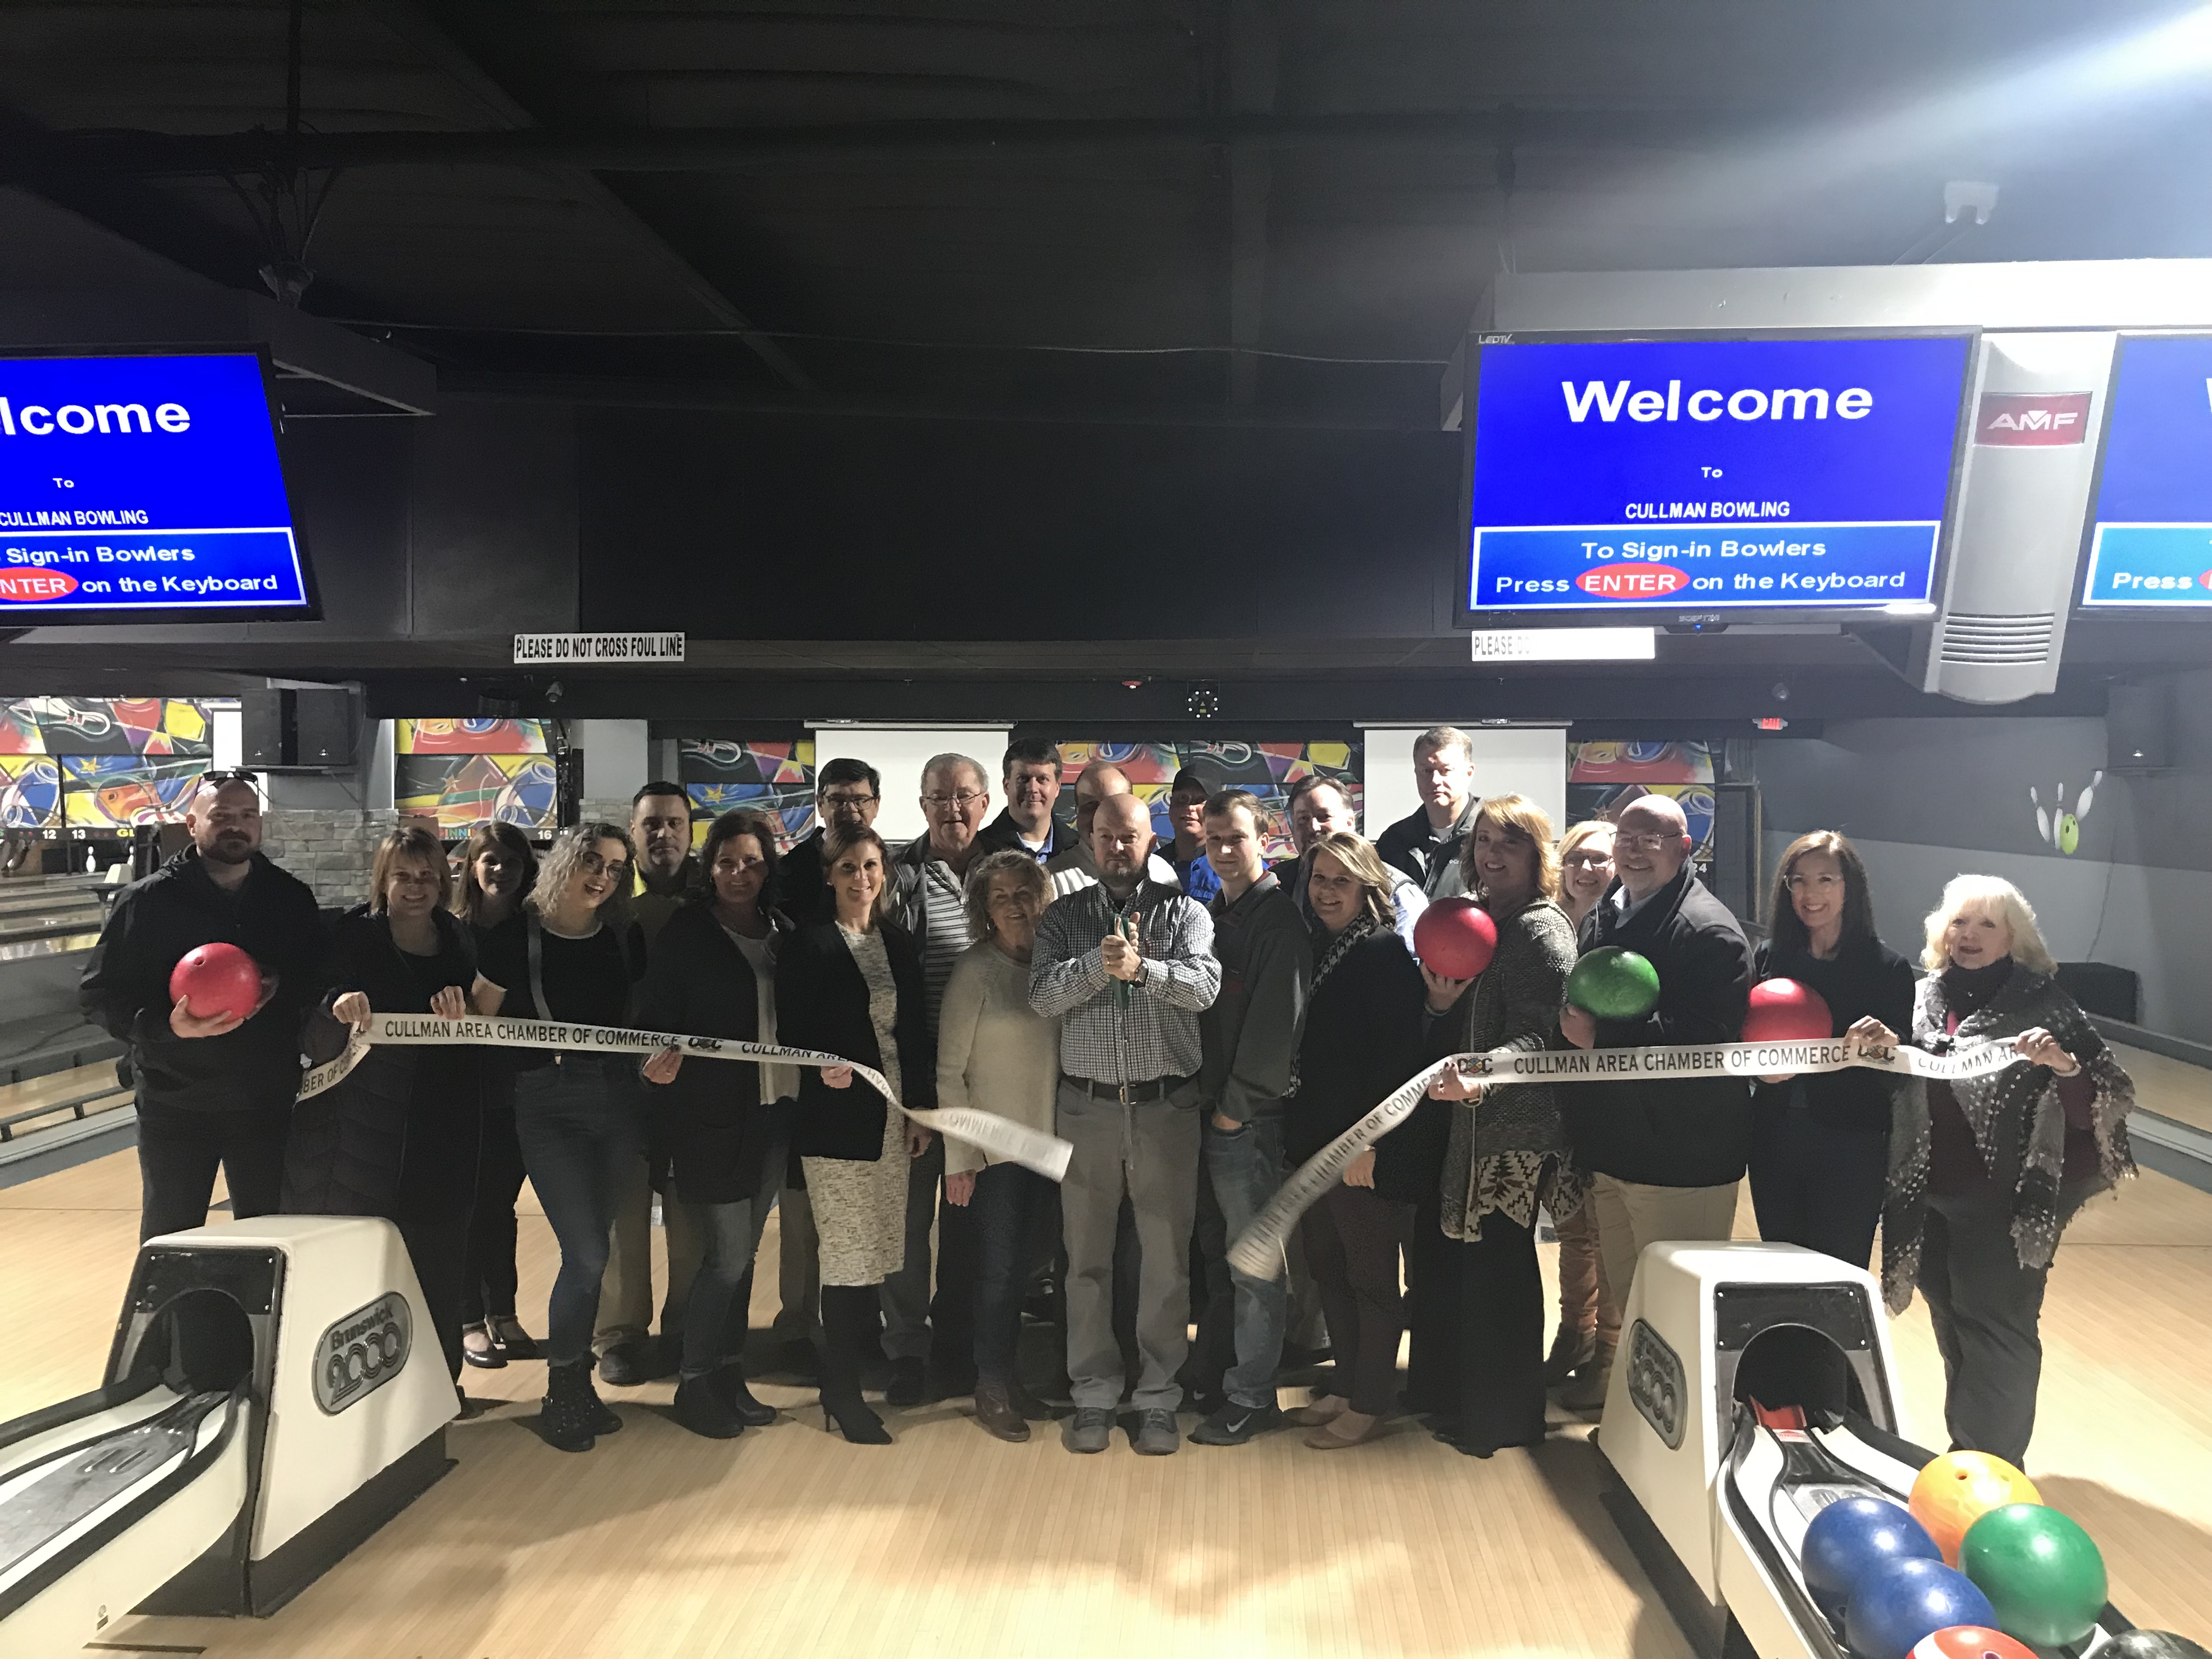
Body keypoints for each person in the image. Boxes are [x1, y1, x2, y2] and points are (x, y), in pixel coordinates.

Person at [1854, 876, 2134, 1468]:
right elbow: (1900, 1081)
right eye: (1959, 922)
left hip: (2005, 1203)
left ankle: (1998, 1466)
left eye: (1987, 924)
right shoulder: (1921, 998)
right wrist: (1875, 1046)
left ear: (2014, 938)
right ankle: (1969, 1456)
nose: (1970, 935)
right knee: (1953, 1322)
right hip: (1926, 1192)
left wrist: (2062, 1066)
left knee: (1997, 1329)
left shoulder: (2046, 1005)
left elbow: (2104, 1101)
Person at [1030, 792, 1221, 1457]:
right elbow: (1041, 997)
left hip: (1166, 1110)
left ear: (1151, 841)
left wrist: (1142, 972)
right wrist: (1095, 966)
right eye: (1106, 836)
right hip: (1086, 1110)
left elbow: (1204, 990)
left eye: (1129, 836)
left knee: (1166, 1263)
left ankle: (1159, 1397)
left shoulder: (1186, 913)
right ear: (1090, 840)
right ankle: (1093, 1392)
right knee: (1085, 1262)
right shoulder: (1062, 917)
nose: (1117, 847)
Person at [1557, 793, 1751, 1413]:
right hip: (1617, 1150)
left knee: (1678, 1311)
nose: (1635, 851)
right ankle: (1640, 1431)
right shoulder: (1608, 914)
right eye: (1626, 838)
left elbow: (1707, 1040)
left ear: (1684, 848)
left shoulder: (1708, 931)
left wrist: (1602, 1038)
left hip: (1681, 1160)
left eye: (1653, 839)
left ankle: (1696, 1436)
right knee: (1636, 1303)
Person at [476, 821, 663, 1453]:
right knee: (584, 1253)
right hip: (547, 1104)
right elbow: (477, 1023)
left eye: (616, 868)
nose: (603, 877)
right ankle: (561, 1389)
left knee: (596, 1253)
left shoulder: (623, 937)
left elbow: (641, 1022)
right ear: (565, 861)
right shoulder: (513, 938)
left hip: (619, 1101)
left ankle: (578, 1385)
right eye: (592, 861)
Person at [80, 770, 325, 1243]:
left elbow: (318, 978)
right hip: (175, 1102)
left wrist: (283, 984)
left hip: (264, 1099)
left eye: (248, 815)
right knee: (171, 1238)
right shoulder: (146, 902)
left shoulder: (290, 899)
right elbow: (98, 994)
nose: (237, 825)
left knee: (270, 1238)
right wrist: (166, 1026)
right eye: (222, 815)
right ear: (192, 824)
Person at [287, 825, 494, 1381]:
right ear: (383, 881)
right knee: (369, 1260)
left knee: (439, 1258)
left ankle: (439, 1385)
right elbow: (314, 1017)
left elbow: (480, 1020)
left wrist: (465, 1009)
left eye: (427, 876)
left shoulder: (459, 939)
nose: (416, 887)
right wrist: (338, 1003)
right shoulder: (351, 937)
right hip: (366, 1121)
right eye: (403, 876)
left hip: (444, 1117)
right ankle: (365, 1390)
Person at [1409, 795, 1580, 1455]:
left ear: (1537, 854)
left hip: (1518, 1134)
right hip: (1477, 1127)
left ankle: (1505, 1423)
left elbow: (1544, 1035)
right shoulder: (1488, 922)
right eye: (1483, 841)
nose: (1492, 854)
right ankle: (1475, 1409)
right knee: (1477, 1275)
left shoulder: (1540, 929)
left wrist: (1484, 1075)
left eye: (1510, 842)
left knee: (1502, 1276)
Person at [639, 810, 796, 1439]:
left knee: (746, 1254)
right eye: (727, 862)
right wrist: (653, 1065)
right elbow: (654, 1018)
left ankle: (730, 1373)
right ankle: (695, 1381)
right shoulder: (688, 932)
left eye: (752, 862)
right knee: (727, 1257)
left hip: (774, 1113)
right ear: (709, 868)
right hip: (710, 1120)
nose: (739, 873)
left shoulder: (782, 931)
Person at [776, 823, 934, 1445]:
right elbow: (792, 1031)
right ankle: (841, 1391)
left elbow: (913, 1032)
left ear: (884, 873)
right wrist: (820, 1063)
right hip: (837, 1120)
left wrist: (918, 1109)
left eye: (871, 866)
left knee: (879, 1251)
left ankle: (850, 1375)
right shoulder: (808, 944)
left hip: (892, 1118)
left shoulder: (895, 941)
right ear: (829, 876)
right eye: (848, 868)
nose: (861, 878)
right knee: (847, 1257)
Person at [1285, 831, 1425, 1449]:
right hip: (1315, 1139)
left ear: (1368, 886)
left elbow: (1398, 1060)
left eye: (1341, 881)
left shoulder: (1383, 951)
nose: (1326, 892)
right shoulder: (1320, 943)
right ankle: (1345, 1384)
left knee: (1371, 1279)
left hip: (1361, 1146)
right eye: (1319, 879)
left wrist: (1375, 1145)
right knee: (1328, 1267)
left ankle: (1371, 1400)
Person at [1187, 788, 1311, 1444]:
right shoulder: (1216, 915)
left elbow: (1274, 1032)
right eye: (1213, 840)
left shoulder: (1278, 924)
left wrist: (1234, 1115)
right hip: (1212, 1117)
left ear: (1265, 839)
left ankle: (1254, 1398)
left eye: (1236, 838)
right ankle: (1222, 1376)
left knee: (1255, 1267)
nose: (1224, 850)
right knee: (1221, 1259)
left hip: (1247, 1123)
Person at [1748, 832, 1915, 1271]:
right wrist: (1758, 1073)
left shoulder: (1888, 968)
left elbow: (1903, 1064)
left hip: (1851, 1143)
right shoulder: (1768, 959)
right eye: (1799, 881)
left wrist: (1889, 1043)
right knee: (1780, 1266)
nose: (1811, 894)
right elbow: (1744, 1042)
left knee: (1839, 1270)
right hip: (1774, 1137)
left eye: (1826, 880)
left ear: (1849, 887)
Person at [938, 850, 1062, 1441]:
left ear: (1042, 898)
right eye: (1001, 897)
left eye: (1024, 893)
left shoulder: (1058, 967)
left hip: (1051, 1149)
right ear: (984, 910)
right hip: (994, 1155)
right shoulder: (974, 971)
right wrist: (959, 1158)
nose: (1015, 905)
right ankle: (990, 1385)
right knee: (997, 1274)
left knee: (1029, 1272)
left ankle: (1013, 1380)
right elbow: (948, 1072)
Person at [883, 753, 992, 1401]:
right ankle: (905, 1348)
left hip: (990, 1084)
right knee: (907, 1224)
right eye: (939, 797)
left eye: (963, 796)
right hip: (918, 1079)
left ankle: (959, 1345)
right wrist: (911, 1093)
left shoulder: (1009, 872)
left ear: (984, 803)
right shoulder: (897, 877)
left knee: (970, 1224)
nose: (953, 809)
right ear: (922, 805)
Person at [596, 782, 705, 1387]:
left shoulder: (713, 893)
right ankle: (619, 1334)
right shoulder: (605, 895)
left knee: (691, 1214)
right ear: (633, 831)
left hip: (695, 1084)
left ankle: (686, 1329)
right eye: (651, 825)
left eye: (674, 823)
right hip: (619, 1083)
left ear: (691, 831)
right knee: (622, 1212)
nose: (663, 834)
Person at [453, 821, 543, 1372]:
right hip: (461, 1087)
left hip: (518, 1085)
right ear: (472, 866)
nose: (501, 871)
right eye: (491, 860)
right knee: (468, 1203)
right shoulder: (450, 931)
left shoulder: (534, 931)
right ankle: (468, 1318)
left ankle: (503, 1311)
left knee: (498, 1205)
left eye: (512, 862)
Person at [1544, 820, 1618, 1391]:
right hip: (1553, 1101)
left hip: (1607, 1104)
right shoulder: (1548, 925)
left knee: (1605, 1232)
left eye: (1600, 859)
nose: (1586, 869)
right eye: (1577, 858)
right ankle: (1575, 1333)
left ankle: (1609, 1351)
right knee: (1572, 1230)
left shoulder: (1622, 929)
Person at [1277, 776, 1426, 947]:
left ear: (1350, 823)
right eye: (1303, 819)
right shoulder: (1279, 884)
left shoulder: (1396, 891)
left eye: (1324, 816)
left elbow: (1413, 959)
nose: (1314, 827)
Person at [774, 758, 882, 927]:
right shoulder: (790, 869)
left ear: (876, 805)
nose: (850, 809)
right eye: (838, 801)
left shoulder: (893, 865)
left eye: (861, 800)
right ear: (820, 804)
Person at [1046, 759, 1176, 899]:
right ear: (1077, 811)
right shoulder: (1052, 881)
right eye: (1090, 806)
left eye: (1113, 805)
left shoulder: (1162, 873)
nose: (1100, 815)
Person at [1375, 726, 1478, 901]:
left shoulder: (1491, 836)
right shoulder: (1394, 840)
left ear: (1469, 774)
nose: (1435, 781)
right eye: (1427, 771)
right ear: (1416, 773)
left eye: (1446, 771)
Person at [975, 738, 1068, 865]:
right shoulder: (980, 850)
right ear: (1007, 786)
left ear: (1057, 788)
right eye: (1023, 779)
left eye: (1042, 779)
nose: (1033, 788)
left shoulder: (1079, 849)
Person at [1160, 764, 1224, 905]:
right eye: (1182, 798)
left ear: (1216, 810)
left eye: (1200, 800)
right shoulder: (1154, 866)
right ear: (1171, 806)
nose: (1190, 807)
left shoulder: (1232, 866)